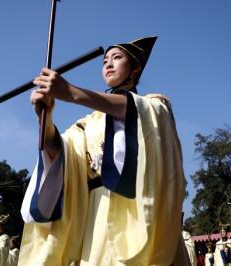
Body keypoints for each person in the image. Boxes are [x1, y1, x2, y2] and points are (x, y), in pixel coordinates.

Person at [19, 36, 187, 265]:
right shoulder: (88, 122)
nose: (108, 64)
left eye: (117, 58)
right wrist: (44, 118)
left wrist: (72, 92)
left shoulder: (154, 104)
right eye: (105, 60)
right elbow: (60, 154)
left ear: (135, 68)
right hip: (95, 215)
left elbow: (134, 111)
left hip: (137, 210)